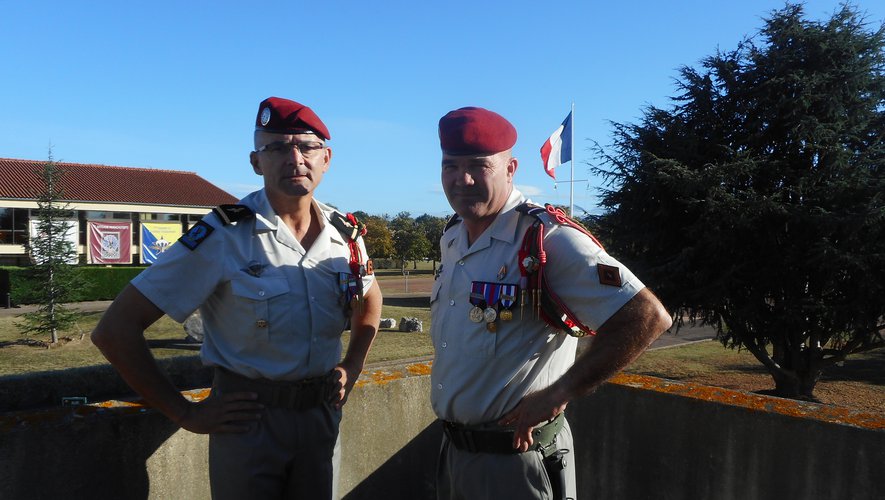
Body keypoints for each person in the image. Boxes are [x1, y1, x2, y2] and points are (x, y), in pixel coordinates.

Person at [91, 96, 382, 499]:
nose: (295, 158)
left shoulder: (344, 235)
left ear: (326, 158)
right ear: (255, 162)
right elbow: (114, 330)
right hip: (249, 423)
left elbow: (369, 299)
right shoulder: (223, 237)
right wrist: (185, 412)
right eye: (277, 147)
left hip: (321, 416)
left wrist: (353, 364)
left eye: (307, 147)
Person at [431, 106, 672, 499]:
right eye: (451, 166)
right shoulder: (453, 236)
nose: (463, 179)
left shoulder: (547, 239)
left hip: (516, 461)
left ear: (511, 168)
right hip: (455, 454)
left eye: (478, 165)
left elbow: (646, 315)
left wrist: (560, 392)